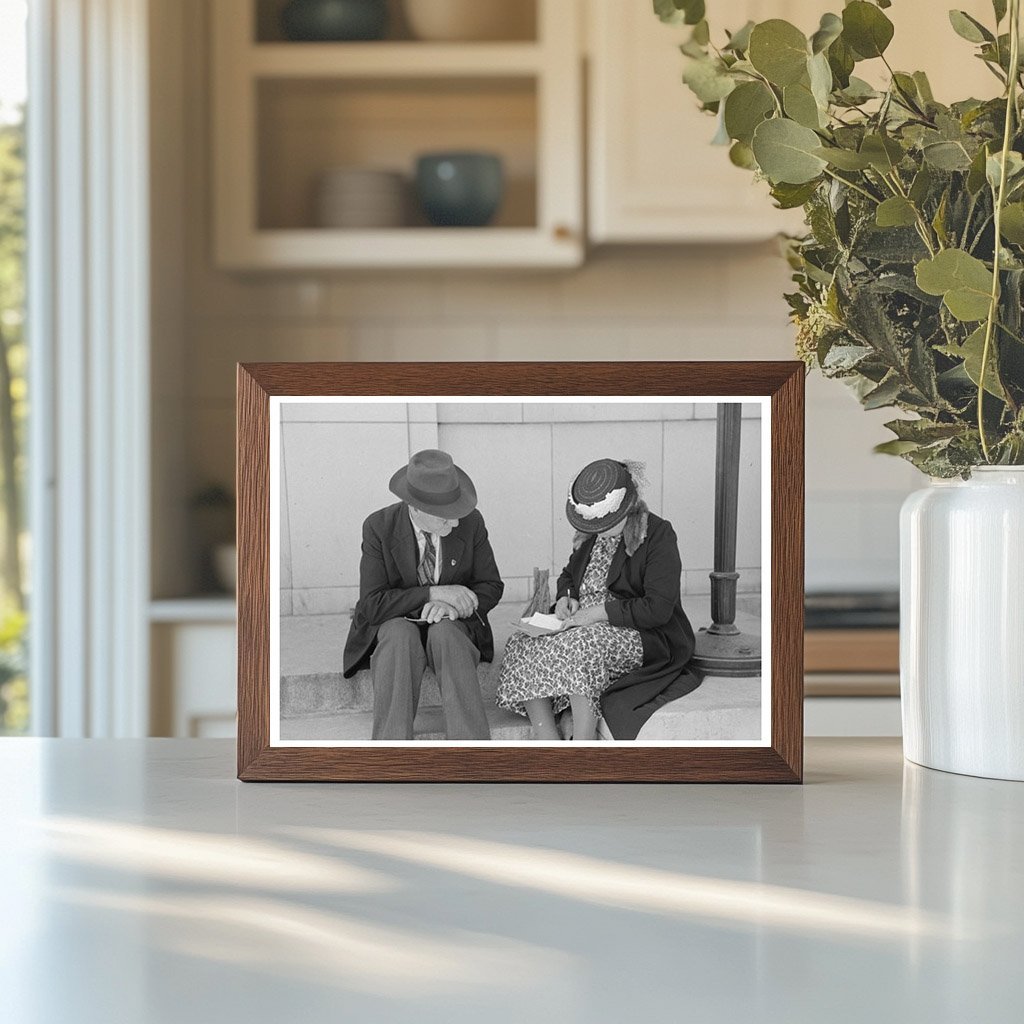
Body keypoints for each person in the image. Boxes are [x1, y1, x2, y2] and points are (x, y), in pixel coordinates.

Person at [496, 458, 700, 740]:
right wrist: (568, 598)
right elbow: (569, 576)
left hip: (638, 631)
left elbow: (658, 608)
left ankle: (583, 744)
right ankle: (549, 743)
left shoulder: (657, 534)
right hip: (583, 622)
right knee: (521, 642)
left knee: (583, 645)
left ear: (627, 508)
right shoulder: (590, 534)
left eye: (606, 523)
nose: (598, 529)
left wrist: (598, 613)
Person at [343, 449, 504, 740]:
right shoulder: (379, 527)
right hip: (396, 620)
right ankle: (392, 754)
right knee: (398, 637)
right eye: (445, 519)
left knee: (448, 635)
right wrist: (432, 594)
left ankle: (473, 755)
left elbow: (491, 585)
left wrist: (455, 606)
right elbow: (371, 605)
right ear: (414, 508)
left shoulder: (471, 521)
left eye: (457, 514)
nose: (454, 524)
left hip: (451, 623)